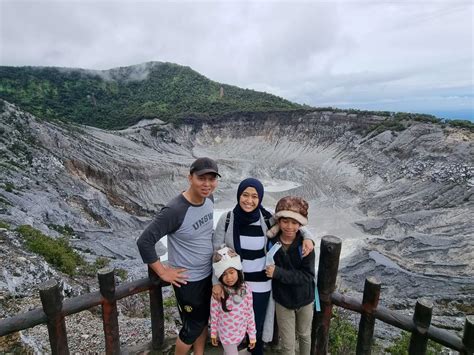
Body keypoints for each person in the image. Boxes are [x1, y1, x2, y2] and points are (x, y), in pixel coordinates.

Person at [212, 178, 314, 355]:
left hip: (261, 285)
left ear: (259, 198)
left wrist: (307, 236)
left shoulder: (266, 218)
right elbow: (215, 253)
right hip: (235, 284)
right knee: (234, 322)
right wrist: (216, 282)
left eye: (254, 196)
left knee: (256, 325)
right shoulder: (227, 219)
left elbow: (290, 223)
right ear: (239, 195)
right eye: (245, 195)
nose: (249, 200)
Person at [136, 157, 220, 355]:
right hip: (188, 280)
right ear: (190, 177)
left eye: (212, 179)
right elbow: (144, 241)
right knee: (191, 327)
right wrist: (163, 272)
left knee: (202, 320)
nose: (207, 184)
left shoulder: (209, 198)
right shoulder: (175, 210)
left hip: (208, 273)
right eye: (202, 178)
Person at [265, 196, 315, 355]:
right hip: (283, 301)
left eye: (294, 223)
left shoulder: (305, 246)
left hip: (305, 299)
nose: (289, 226)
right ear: (278, 221)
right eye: (285, 221)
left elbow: (307, 276)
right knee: (287, 344)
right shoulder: (271, 243)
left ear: (300, 225)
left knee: (305, 335)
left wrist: (278, 273)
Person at [210, 246, 256, 355]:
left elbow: (249, 313)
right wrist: (213, 333)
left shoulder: (246, 289)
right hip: (226, 336)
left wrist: (252, 335)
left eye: (231, 272)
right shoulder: (218, 292)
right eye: (224, 274)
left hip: (240, 333)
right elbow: (214, 313)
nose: (229, 278)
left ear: (238, 271)